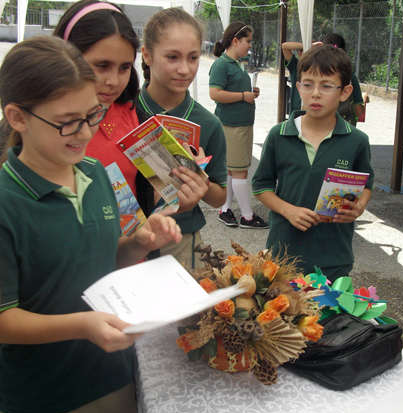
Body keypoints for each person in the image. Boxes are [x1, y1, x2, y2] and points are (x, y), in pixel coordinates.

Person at [0, 36, 181, 413]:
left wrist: (140, 243)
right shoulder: (6, 203)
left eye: (93, 115)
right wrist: (82, 325)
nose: (83, 132)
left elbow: (102, 261)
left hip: (112, 379)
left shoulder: (96, 174)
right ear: (17, 117)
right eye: (66, 122)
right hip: (46, 399)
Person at [252, 45, 374, 281]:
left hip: (334, 259)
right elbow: (260, 186)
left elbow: (366, 183)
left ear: (345, 92)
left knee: (331, 316)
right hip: (283, 256)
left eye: (327, 86)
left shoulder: (357, 140)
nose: (315, 93)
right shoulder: (279, 135)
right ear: (298, 88)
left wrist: (358, 208)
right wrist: (289, 211)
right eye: (308, 84)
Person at [138, 7, 228, 268]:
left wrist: (197, 180)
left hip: (179, 240)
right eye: (172, 57)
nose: (184, 69)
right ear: (147, 55)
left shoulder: (208, 124)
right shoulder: (125, 111)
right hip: (123, 236)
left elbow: (219, 197)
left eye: (192, 58)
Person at [54, 0, 141, 198]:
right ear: (66, 56)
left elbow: (152, 196)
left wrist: (182, 195)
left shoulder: (138, 119)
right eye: (102, 65)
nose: (113, 81)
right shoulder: (31, 121)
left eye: (124, 68)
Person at [210, 21, 267, 229]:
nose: (250, 46)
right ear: (235, 41)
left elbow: (232, 92)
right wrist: (244, 95)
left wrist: (251, 93)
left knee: (232, 170)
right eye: (248, 41)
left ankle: (225, 210)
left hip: (240, 124)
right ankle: (247, 216)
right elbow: (215, 93)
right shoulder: (222, 64)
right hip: (232, 126)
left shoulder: (235, 64)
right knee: (240, 170)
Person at [321, 33, 369, 126]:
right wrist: (364, 98)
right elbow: (358, 112)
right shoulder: (349, 77)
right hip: (344, 130)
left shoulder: (316, 75)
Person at [282, 41, 303, 115]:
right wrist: (307, 45)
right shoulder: (296, 66)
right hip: (295, 113)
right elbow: (285, 46)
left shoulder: (320, 71)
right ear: (300, 54)